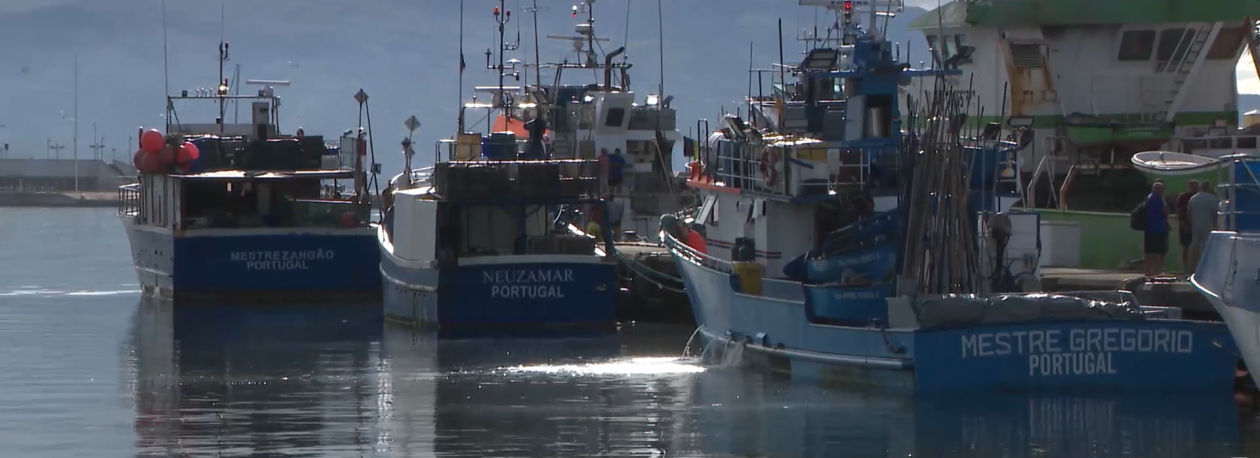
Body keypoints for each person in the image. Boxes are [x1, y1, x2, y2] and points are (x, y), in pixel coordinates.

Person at [1187, 180, 1220, 275]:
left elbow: (1189, 213)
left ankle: (1192, 270)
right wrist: (1216, 226)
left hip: (1196, 226)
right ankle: (1205, 271)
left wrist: (1191, 224)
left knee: (1194, 248)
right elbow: (1215, 213)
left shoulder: (1193, 198)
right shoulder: (1213, 199)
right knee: (1206, 249)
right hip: (1208, 226)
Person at [1143, 181, 1171, 276]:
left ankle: (1148, 270)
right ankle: (1157, 271)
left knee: (1149, 251)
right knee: (1159, 251)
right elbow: (1165, 211)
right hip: (1159, 228)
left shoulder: (1148, 198)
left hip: (1148, 227)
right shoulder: (1159, 199)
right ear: (1160, 190)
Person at [1175, 180, 1199, 271]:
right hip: (1186, 225)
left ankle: (1194, 268)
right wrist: (1183, 223)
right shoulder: (1184, 197)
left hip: (1196, 225)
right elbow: (1179, 211)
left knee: (1196, 247)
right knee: (1186, 247)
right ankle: (1185, 268)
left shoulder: (1197, 197)